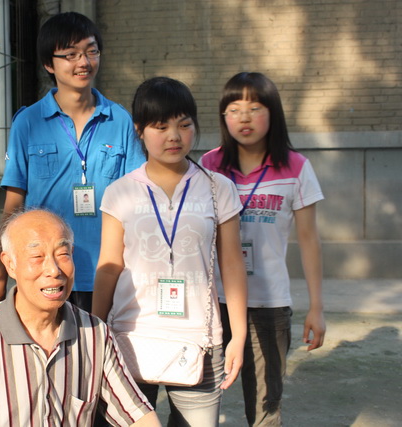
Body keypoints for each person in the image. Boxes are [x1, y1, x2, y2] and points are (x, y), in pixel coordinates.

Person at [92, 77, 248, 426]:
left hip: (200, 339)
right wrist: (96, 333)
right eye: (161, 127)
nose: (174, 136)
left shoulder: (218, 188)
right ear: (139, 130)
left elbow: (232, 265)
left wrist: (237, 335)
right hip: (130, 336)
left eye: (184, 124)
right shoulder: (120, 192)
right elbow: (109, 266)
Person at [0, 11, 145, 312]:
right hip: (46, 274)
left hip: (107, 273)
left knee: (100, 343)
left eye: (91, 51)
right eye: (71, 55)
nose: (84, 62)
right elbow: (13, 205)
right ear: (49, 63)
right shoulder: (28, 122)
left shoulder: (120, 120)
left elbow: (136, 200)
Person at [0, 209, 161, 427]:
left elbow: (136, 414)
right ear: (10, 264)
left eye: (63, 254)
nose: (54, 270)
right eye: (37, 257)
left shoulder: (94, 333)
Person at [200, 72, 326, 426]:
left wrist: (317, 307)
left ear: (273, 113)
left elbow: (309, 240)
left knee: (265, 407)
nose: (244, 117)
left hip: (269, 305)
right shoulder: (209, 166)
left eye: (255, 108)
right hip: (213, 303)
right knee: (199, 401)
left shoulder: (296, 167)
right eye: (234, 109)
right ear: (223, 116)